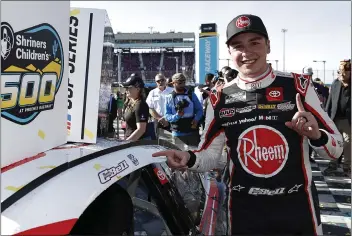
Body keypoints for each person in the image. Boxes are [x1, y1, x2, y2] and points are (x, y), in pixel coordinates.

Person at [153, 14, 343, 235]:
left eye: (255, 42)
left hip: (297, 208)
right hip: (245, 210)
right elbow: (211, 155)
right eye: (237, 46)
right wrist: (190, 158)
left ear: (268, 45)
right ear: (230, 53)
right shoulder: (220, 97)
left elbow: (335, 149)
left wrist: (316, 136)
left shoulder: (298, 87)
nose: (246, 52)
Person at [324, 59, 351, 176]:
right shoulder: (335, 83)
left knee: (348, 143)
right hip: (335, 119)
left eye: (344, 71)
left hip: (348, 120)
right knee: (335, 143)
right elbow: (330, 101)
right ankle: (333, 164)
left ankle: (347, 167)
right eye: (340, 71)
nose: (341, 74)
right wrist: (326, 116)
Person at [164, 73, 203, 149]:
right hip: (177, 133)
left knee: (195, 156)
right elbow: (167, 115)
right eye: (180, 83)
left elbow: (199, 110)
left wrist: (196, 119)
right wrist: (177, 116)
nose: (182, 84)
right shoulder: (169, 97)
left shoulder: (191, 95)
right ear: (173, 83)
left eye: (184, 82)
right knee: (178, 157)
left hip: (192, 132)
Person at [120, 73, 150, 141]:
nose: (126, 90)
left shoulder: (141, 105)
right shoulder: (130, 102)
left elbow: (141, 130)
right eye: (126, 88)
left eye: (129, 88)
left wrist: (126, 143)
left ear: (138, 89)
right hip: (129, 139)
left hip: (136, 144)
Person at [146, 73, 173, 140]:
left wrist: (167, 119)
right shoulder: (152, 93)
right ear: (155, 82)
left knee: (172, 141)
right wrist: (160, 118)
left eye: (162, 80)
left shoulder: (172, 91)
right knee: (158, 141)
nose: (160, 82)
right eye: (158, 81)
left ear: (165, 80)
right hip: (158, 120)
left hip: (171, 120)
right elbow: (150, 108)